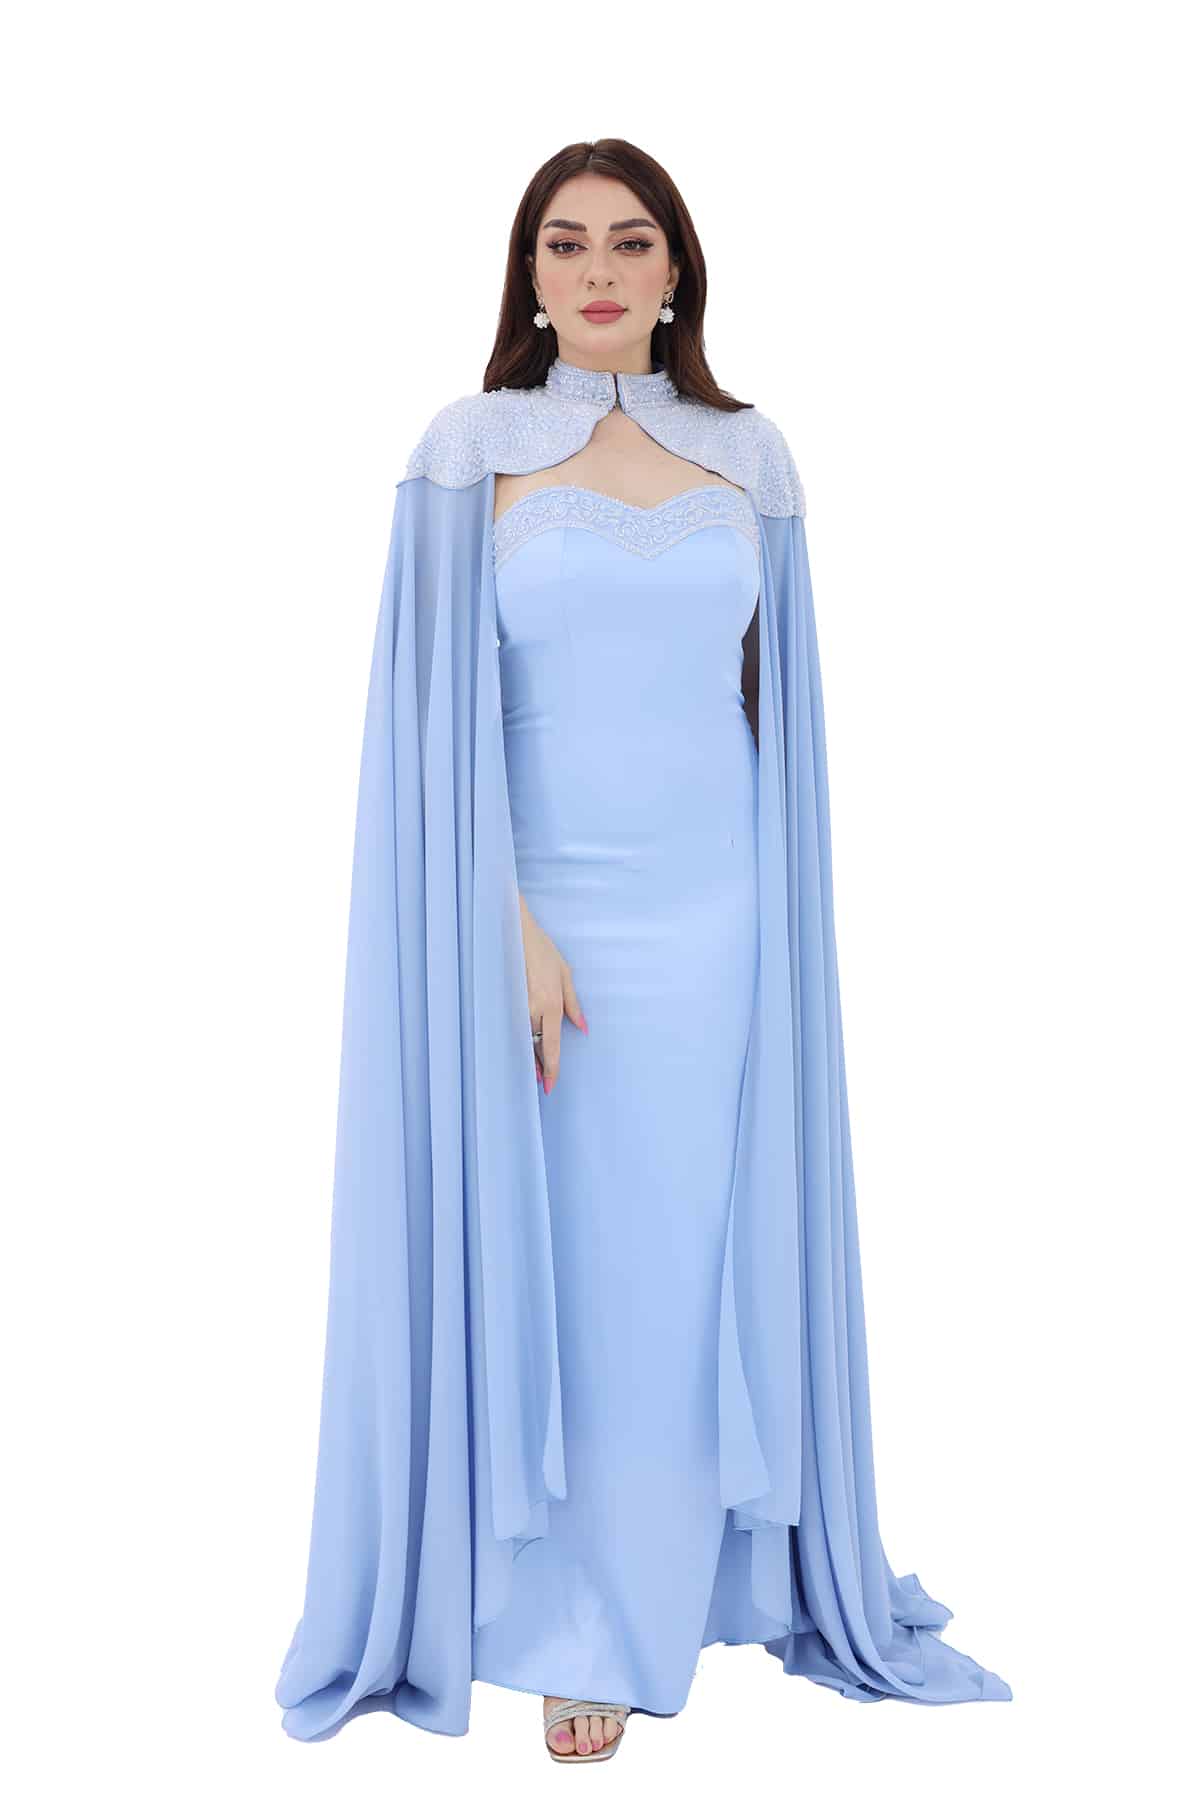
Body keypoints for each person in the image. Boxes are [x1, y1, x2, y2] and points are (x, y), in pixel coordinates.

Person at [274, 137, 1012, 1763]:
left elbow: (771, 710)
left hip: (718, 920)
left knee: (682, 1267)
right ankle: (573, 1626)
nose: (598, 270)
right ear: (528, 275)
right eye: (565, 243)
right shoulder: (467, 450)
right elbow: (434, 725)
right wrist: (505, 925)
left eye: (630, 241)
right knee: (568, 1269)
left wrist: (776, 928)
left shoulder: (752, 457)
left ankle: (682, 1587)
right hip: (538, 913)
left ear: (678, 271)